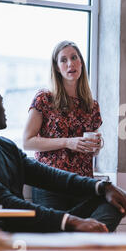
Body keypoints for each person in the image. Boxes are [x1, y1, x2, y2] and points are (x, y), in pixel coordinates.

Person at [0, 85, 126, 233]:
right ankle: (77, 247)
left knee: (111, 200)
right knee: (77, 229)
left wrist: (102, 187)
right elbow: (7, 204)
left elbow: (48, 175)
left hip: (28, 225)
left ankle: (77, 247)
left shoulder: (5, 146)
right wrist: (69, 222)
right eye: (1, 103)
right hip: (5, 236)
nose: (4, 109)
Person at [23, 40, 103, 211]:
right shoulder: (44, 98)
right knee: (54, 236)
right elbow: (27, 141)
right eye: (63, 60)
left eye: (74, 58)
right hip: (50, 182)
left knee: (81, 236)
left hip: (82, 184)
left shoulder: (91, 105)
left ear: (81, 62)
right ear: (57, 68)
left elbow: (92, 148)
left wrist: (97, 146)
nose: (70, 64)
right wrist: (67, 142)